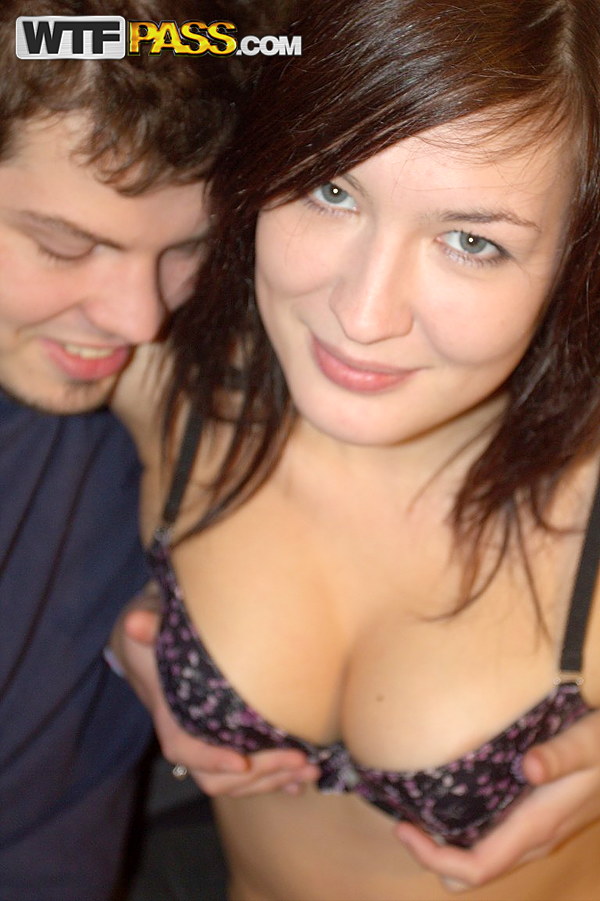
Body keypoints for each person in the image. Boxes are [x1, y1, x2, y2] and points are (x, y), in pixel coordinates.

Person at [113, 0, 600, 898]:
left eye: (471, 242)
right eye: (330, 189)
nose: (364, 314)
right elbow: (47, 48)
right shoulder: (165, 373)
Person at [0, 1, 313, 898]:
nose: (139, 318)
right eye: (64, 246)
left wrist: (175, 600)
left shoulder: (190, 347)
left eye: (188, 247)